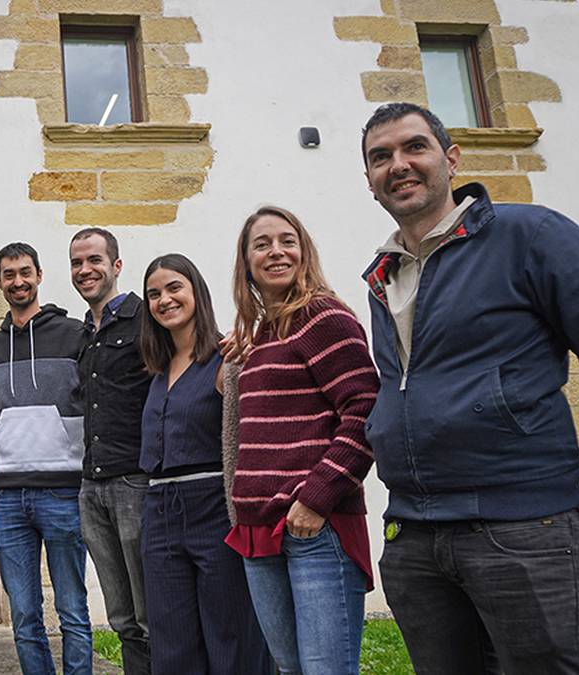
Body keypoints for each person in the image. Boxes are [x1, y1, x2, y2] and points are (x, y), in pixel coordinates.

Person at [361, 102, 579, 674]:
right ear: (369, 179)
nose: (398, 164)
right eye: (381, 157)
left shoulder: (533, 235)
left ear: (451, 159)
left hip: (524, 528)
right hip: (416, 537)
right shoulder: (383, 273)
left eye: (414, 147)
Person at [222, 207, 378, 674]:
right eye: (262, 244)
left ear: (303, 250)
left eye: (286, 241)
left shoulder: (321, 316)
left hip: (314, 527)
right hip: (257, 530)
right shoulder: (264, 334)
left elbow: (366, 408)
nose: (276, 251)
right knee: (290, 670)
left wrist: (316, 499)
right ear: (246, 261)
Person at [138, 254, 272, 674]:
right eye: (154, 294)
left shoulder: (226, 359)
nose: (165, 299)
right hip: (158, 510)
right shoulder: (157, 372)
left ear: (196, 290)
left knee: (230, 633)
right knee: (171, 639)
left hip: (213, 507)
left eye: (174, 287)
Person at [0, 243, 92, 675]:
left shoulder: (75, 334)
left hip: (63, 490)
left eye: (25, 272)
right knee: (24, 617)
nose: (18, 281)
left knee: (73, 612)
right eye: (8, 274)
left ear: (40, 275)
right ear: (0, 282)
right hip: (7, 497)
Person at [68, 228, 152, 674]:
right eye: (78, 263)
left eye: (94, 260)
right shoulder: (84, 334)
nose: (86, 270)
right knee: (121, 617)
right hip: (92, 487)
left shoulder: (146, 317)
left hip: (134, 482)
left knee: (149, 613)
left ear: (116, 266)